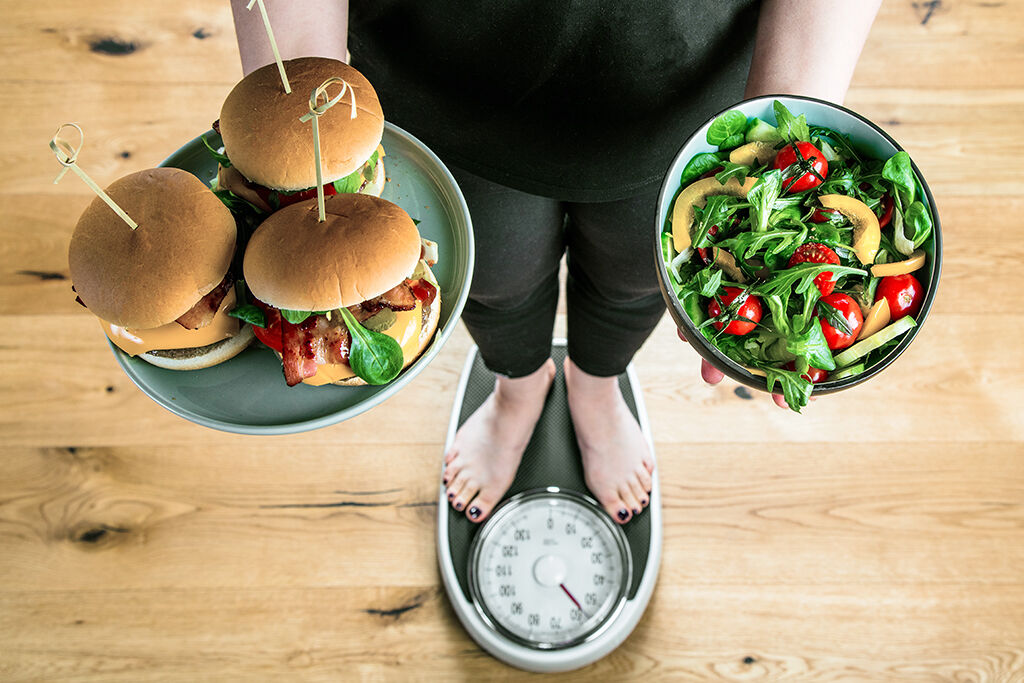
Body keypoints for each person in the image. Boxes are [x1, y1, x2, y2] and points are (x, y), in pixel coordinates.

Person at [231, 0, 882, 525]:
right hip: (446, 84)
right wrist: (291, 141)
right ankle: (518, 386)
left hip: (686, 92)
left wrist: (783, 157)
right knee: (493, 278)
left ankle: (597, 385)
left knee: (637, 279)